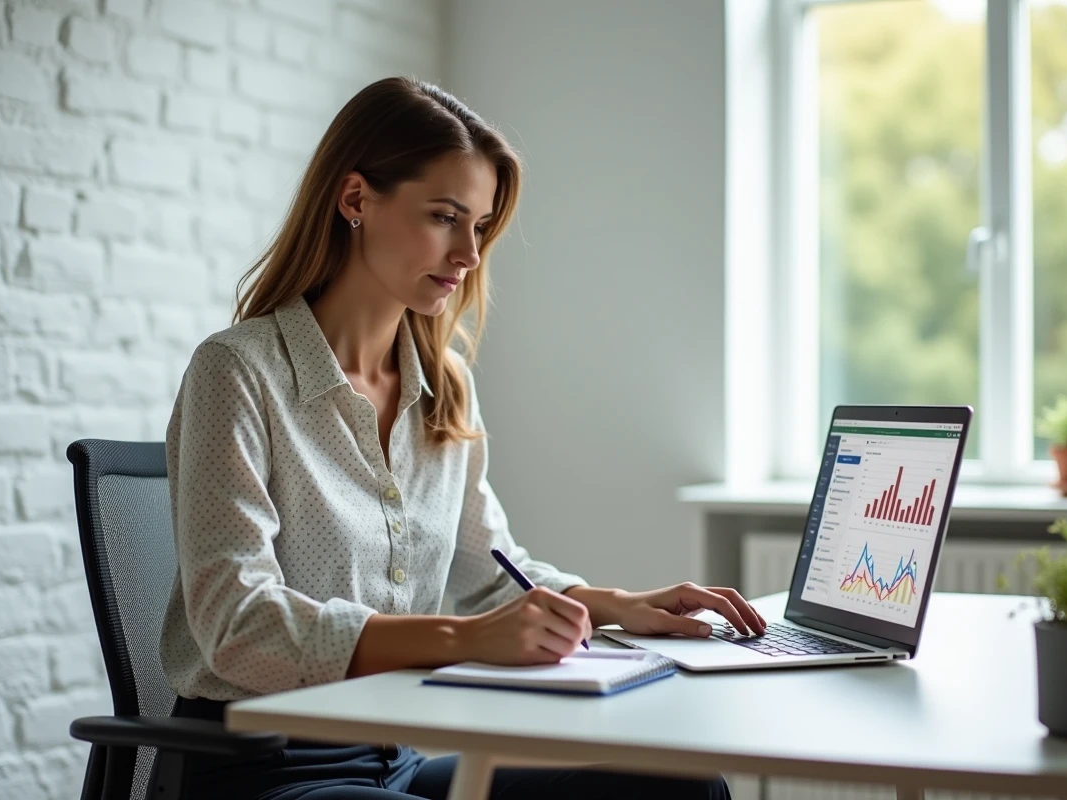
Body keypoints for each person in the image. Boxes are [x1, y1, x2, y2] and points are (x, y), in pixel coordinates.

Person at [161, 76, 765, 800]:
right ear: (355, 200)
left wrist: (617, 605)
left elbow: (489, 574)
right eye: (446, 217)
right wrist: (461, 641)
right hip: (262, 769)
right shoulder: (238, 370)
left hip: (394, 757)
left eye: (479, 226)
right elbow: (237, 624)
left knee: (681, 789)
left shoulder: (443, 387)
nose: (469, 253)